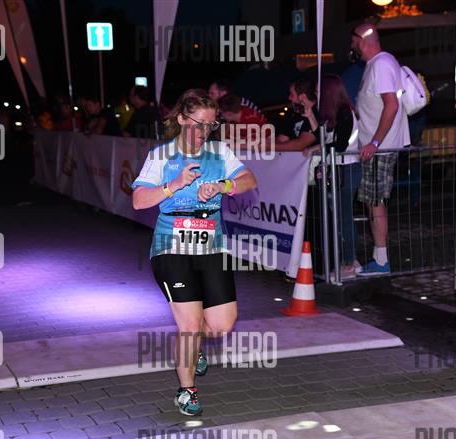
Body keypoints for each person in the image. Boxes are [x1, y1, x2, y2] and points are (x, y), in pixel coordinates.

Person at [131, 90, 257, 416]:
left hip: (211, 244)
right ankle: (186, 390)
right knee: (189, 324)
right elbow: (139, 200)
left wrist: (223, 186)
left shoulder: (219, 152)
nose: (204, 131)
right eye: (199, 124)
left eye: (210, 125)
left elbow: (249, 180)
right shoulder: (161, 156)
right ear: (181, 119)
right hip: (170, 246)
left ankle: (195, 347)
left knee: (221, 326)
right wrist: (173, 184)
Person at [351, 22, 410, 275]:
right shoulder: (376, 65)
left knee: (375, 202)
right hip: (375, 148)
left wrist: (375, 142)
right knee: (373, 201)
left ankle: (382, 261)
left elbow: (391, 105)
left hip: (379, 149)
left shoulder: (382, 64)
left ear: (362, 40)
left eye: (353, 40)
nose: (351, 45)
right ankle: (379, 258)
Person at [302, 74, 363, 280]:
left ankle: (350, 263)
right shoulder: (337, 113)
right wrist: (311, 117)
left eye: (319, 90)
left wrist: (317, 149)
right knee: (340, 217)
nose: (316, 93)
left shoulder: (345, 113)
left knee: (344, 217)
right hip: (340, 169)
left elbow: (339, 145)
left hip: (347, 169)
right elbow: (325, 137)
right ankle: (348, 261)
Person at [272, 76, 319, 152]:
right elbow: (281, 140)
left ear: (303, 97)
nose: (289, 98)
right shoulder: (296, 115)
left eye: (292, 94)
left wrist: (267, 146)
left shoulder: (318, 114)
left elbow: (300, 144)